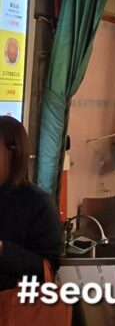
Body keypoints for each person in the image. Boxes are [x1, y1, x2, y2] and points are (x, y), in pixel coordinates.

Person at [0, 116, 62, 293]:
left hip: (15, 310)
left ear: (12, 151)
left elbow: (47, 268)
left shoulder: (38, 202)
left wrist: (4, 250)